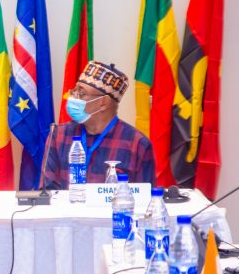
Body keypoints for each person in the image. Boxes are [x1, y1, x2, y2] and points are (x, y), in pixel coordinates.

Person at [44, 61, 156, 189]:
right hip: (68, 202)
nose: (73, 98)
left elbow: (146, 196)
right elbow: (47, 192)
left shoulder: (137, 144)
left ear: (103, 102)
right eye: (74, 91)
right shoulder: (58, 135)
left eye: (81, 94)